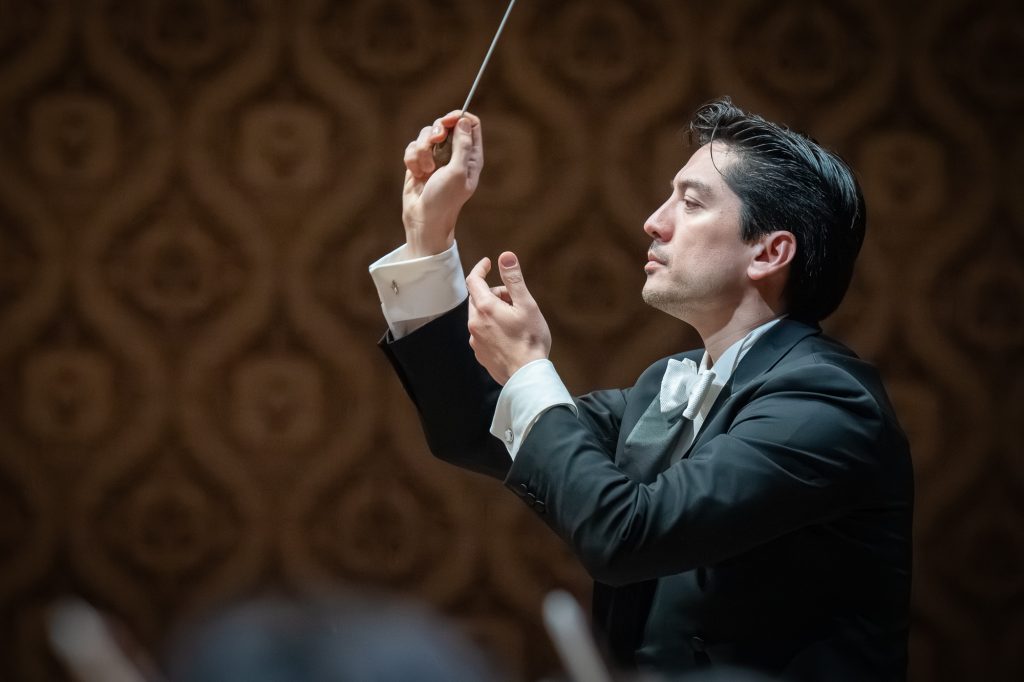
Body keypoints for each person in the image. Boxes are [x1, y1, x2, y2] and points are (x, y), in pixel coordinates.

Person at [369, 99, 913, 681]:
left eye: (692, 201)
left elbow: (627, 537)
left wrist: (530, 369)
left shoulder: (828, 400)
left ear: (770, 252)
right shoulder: (667, 383)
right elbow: (476, 425)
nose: (654, 221)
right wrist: (429, 243)